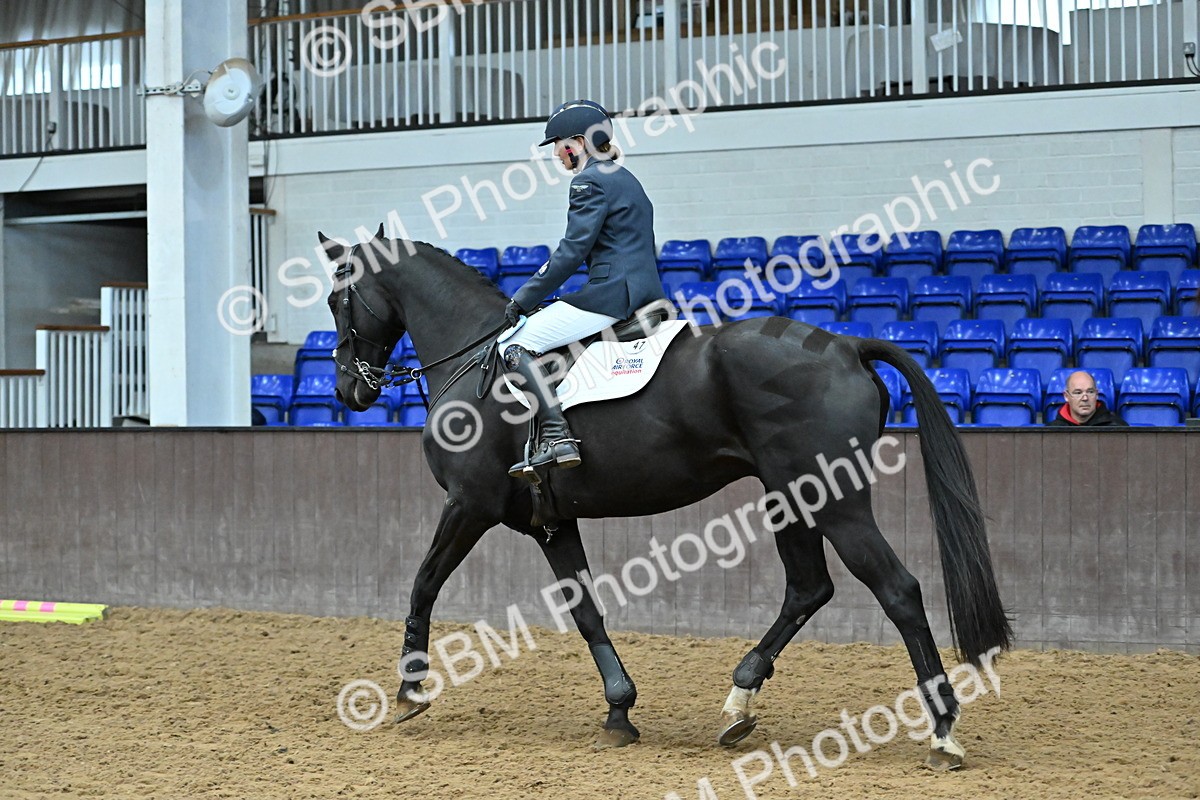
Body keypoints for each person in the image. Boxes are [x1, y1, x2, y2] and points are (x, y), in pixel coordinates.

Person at [500, 99, 667, 478]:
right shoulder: (625, 177)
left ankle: (557, 436)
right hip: (643, 291)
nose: (557, 154)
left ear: (578, 141)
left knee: (513, 345)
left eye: (558, 144)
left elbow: (571, 252)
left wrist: (523, 298)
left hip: (612, 294)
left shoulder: (588, 181)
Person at [1045, 370, 1129, 427]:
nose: (1085, 398)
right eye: (1078, 393)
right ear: (1066, 396)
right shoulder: (1052, 431)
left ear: (1097, 394)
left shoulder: (1117, 427)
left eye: (1090, 392)